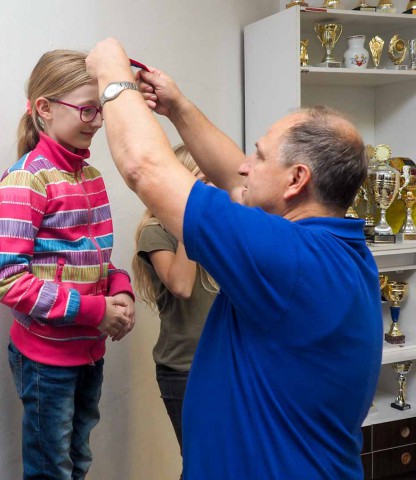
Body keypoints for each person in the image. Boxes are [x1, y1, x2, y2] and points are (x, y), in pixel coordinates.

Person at [85, 39, 382, 479]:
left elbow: (144, 168)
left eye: (259, 155)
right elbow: (233, 179)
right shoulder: (337, 250)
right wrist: (179, 108)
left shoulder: (288, 258)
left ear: (296, 179)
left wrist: (111, 71)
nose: (246, 165)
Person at [0, 49, 135, 480]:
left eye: (100, 109)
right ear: (45, 108)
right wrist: (95, 310)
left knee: (79, 460)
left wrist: (120, 289)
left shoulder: (91, 178)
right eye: (87, 109)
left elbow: (96, 261)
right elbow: (7, 280)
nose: (97, 120)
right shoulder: (26, 179)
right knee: (51, 469)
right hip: (46, 359)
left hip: (89, 351)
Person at [132, 145, 218, 466]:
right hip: (183, 369)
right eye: (203, 182)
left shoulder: (215, 230)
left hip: (222, 361)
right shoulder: (156, 231)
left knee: (224, 462)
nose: (212, 190)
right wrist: (190, 218)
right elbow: (181, 285)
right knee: (200, 463)